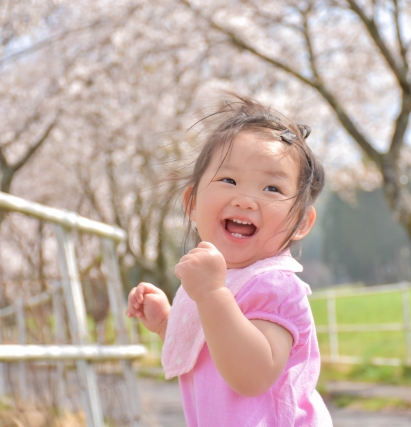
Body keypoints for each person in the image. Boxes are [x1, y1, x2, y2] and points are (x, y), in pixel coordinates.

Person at [125, 95, 333, 426]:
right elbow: (210, 347)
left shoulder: (274, 286)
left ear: (301, 223)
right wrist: (167, 321)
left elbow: (252, 374)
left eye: (272, 188)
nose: (246, 200)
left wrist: (211, 295)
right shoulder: (212, 284)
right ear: (192, 202)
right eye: (229, 180)